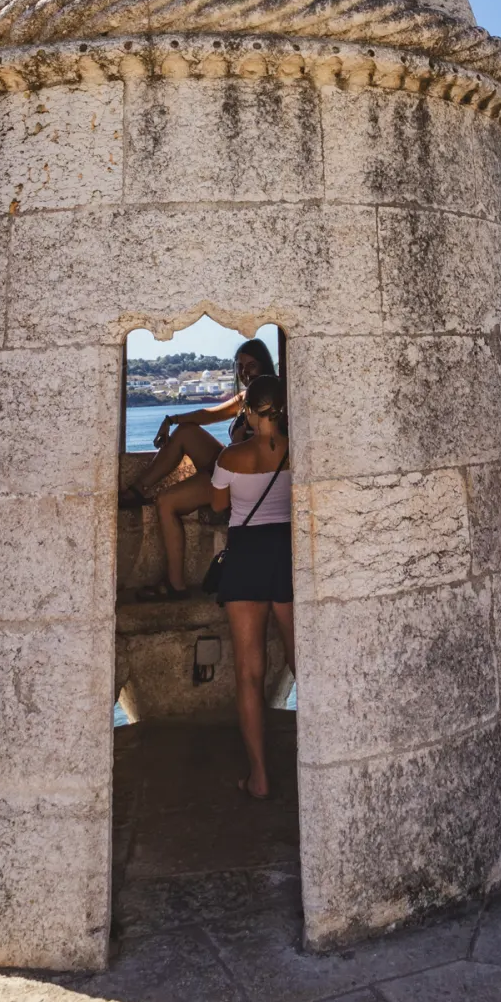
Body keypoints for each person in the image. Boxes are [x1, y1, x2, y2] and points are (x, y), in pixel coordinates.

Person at [123, 338, 276, 601]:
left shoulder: (274, 400)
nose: (245, 372)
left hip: (244, 478)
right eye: (240, 366)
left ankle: (175, 584)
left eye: (251, 365)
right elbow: (210, 414)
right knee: (185, 432)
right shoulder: (245, 398)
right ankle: (138, 489)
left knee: (166, 502)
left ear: (264, 364)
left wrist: (242, 440)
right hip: (230, 465)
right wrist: (171, 419)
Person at [208, 374, 294, 799]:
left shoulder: (231, 456)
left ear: (249, 410)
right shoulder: (300, 450)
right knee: (305, 665)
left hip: (245, 558)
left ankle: (258, 775)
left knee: (249, 674)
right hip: (287, 555)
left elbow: (218, 505)